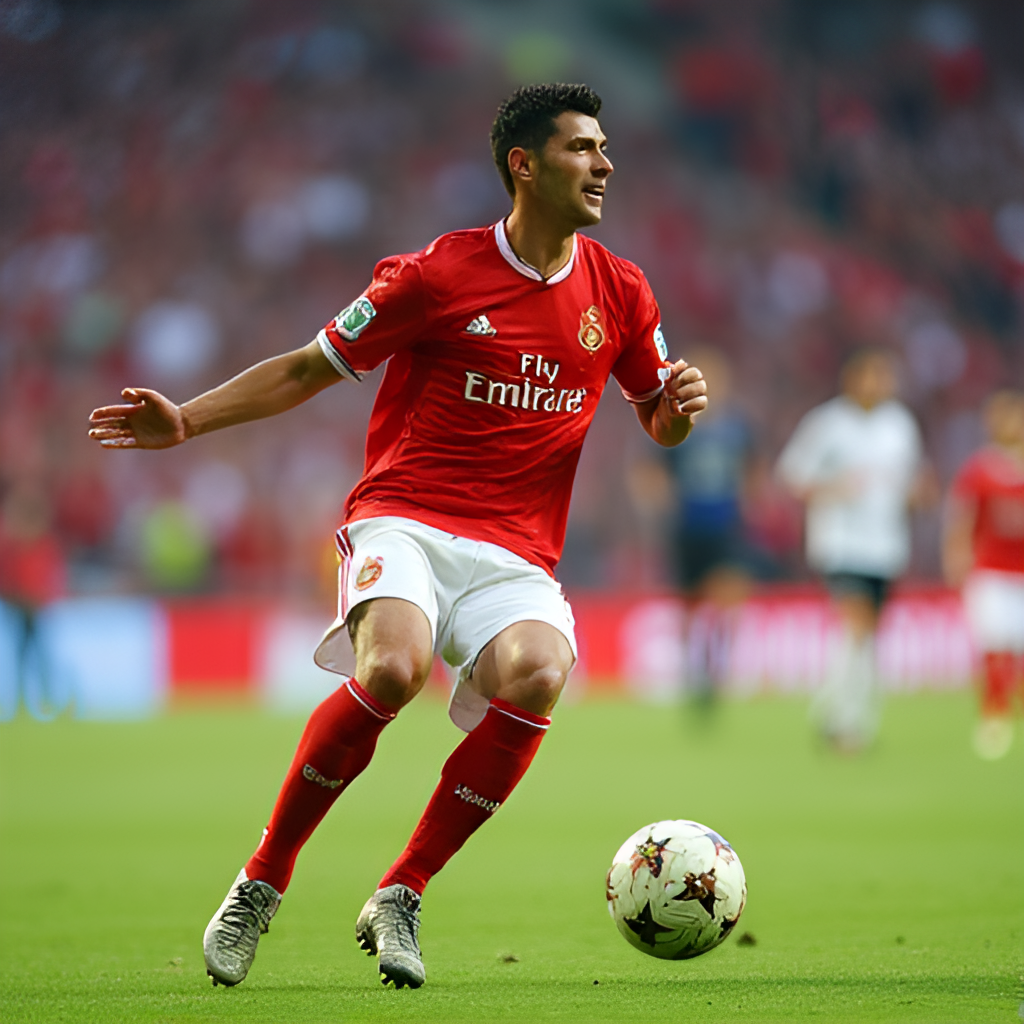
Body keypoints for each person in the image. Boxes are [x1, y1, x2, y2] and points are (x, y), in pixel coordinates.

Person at [87, 84, 709, 991]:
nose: (605, 163)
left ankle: (402, 892)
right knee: (393, 668)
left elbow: (658, 418)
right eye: (582, 148)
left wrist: (680, 415)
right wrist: (186, 419)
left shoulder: (620, 290)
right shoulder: (436, 276)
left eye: (606, 147)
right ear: (523, 166)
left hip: (517, 553)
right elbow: (308, 367)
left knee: (541, 670)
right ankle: (263, 879)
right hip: (408, 515)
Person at [776, 348, 929, 752]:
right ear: (852, 379)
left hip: (887, 544)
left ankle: (835, 710)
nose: (879, 384)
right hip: (840, 542)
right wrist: (833, 487)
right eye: (871, 376)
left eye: (884, 377)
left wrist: (918, 494)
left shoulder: (900, 425)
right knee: (856, 624)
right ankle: (849, 723)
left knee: (865, 634)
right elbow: (793, 475)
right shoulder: (828, 424)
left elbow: (915, 479)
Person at [943, 390, 1024, 760]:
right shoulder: (979, 470)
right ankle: (994, 714)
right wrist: (956, 556)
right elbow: (962, 518)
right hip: (991, 571)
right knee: (995, 644)